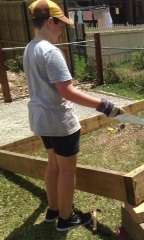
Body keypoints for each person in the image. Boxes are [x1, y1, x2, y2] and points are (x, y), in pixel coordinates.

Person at [23, 0, 124, 232]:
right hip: (59, 121)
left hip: (41, 120)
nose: (62, 30)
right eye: (60, 25)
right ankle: (66, 219)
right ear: (50, 22)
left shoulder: (30, 48)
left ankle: (54, 210)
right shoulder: (51, 52)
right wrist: (104, 105)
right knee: (67, 170)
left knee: (53, 165)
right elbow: (68, 92)